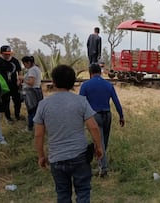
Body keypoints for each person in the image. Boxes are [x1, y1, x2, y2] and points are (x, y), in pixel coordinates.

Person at [33, 65, 103, 202]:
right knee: (83, 191)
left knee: (63, 194)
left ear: (53, 82)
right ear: (73, 82)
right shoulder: (81, 101)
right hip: (80, 156)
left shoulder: (43, 104)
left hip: (56, 158)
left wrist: (41, 156)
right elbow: (93, 127)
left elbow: (38, 134)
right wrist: (99, 146)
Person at [79, 63, 125, 177]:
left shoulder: (85, 85)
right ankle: (101, 161)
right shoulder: (108, 84)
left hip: (94, 116)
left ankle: (103, 168)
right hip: (107, 115)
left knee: (99, 142)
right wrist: (121, 115)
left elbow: (80, 103)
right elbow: (116, 101)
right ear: (100, 72)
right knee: (104, 140)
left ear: (90, 73)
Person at [0, 45, 23, 123]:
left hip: (14, 85)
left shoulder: (15, 61)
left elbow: (19, 72)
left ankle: (17, 116)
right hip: (3, 86)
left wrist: (19, 79)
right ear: (1, 53)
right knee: (5, 102)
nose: (7, 55)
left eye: (9, 53)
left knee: (17, 101)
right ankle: (8, 118)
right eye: (5, 54)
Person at [19, 56, 43, 132]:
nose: (24, 65)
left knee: (31, 110)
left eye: (24, 63)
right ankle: (37, 126)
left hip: (31, 92)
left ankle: (30, 127)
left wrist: (23, 78)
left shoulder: (32, 70)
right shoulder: (36, 68)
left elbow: (31, 83)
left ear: (29, 62)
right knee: (36, 109)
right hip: (36, 90)